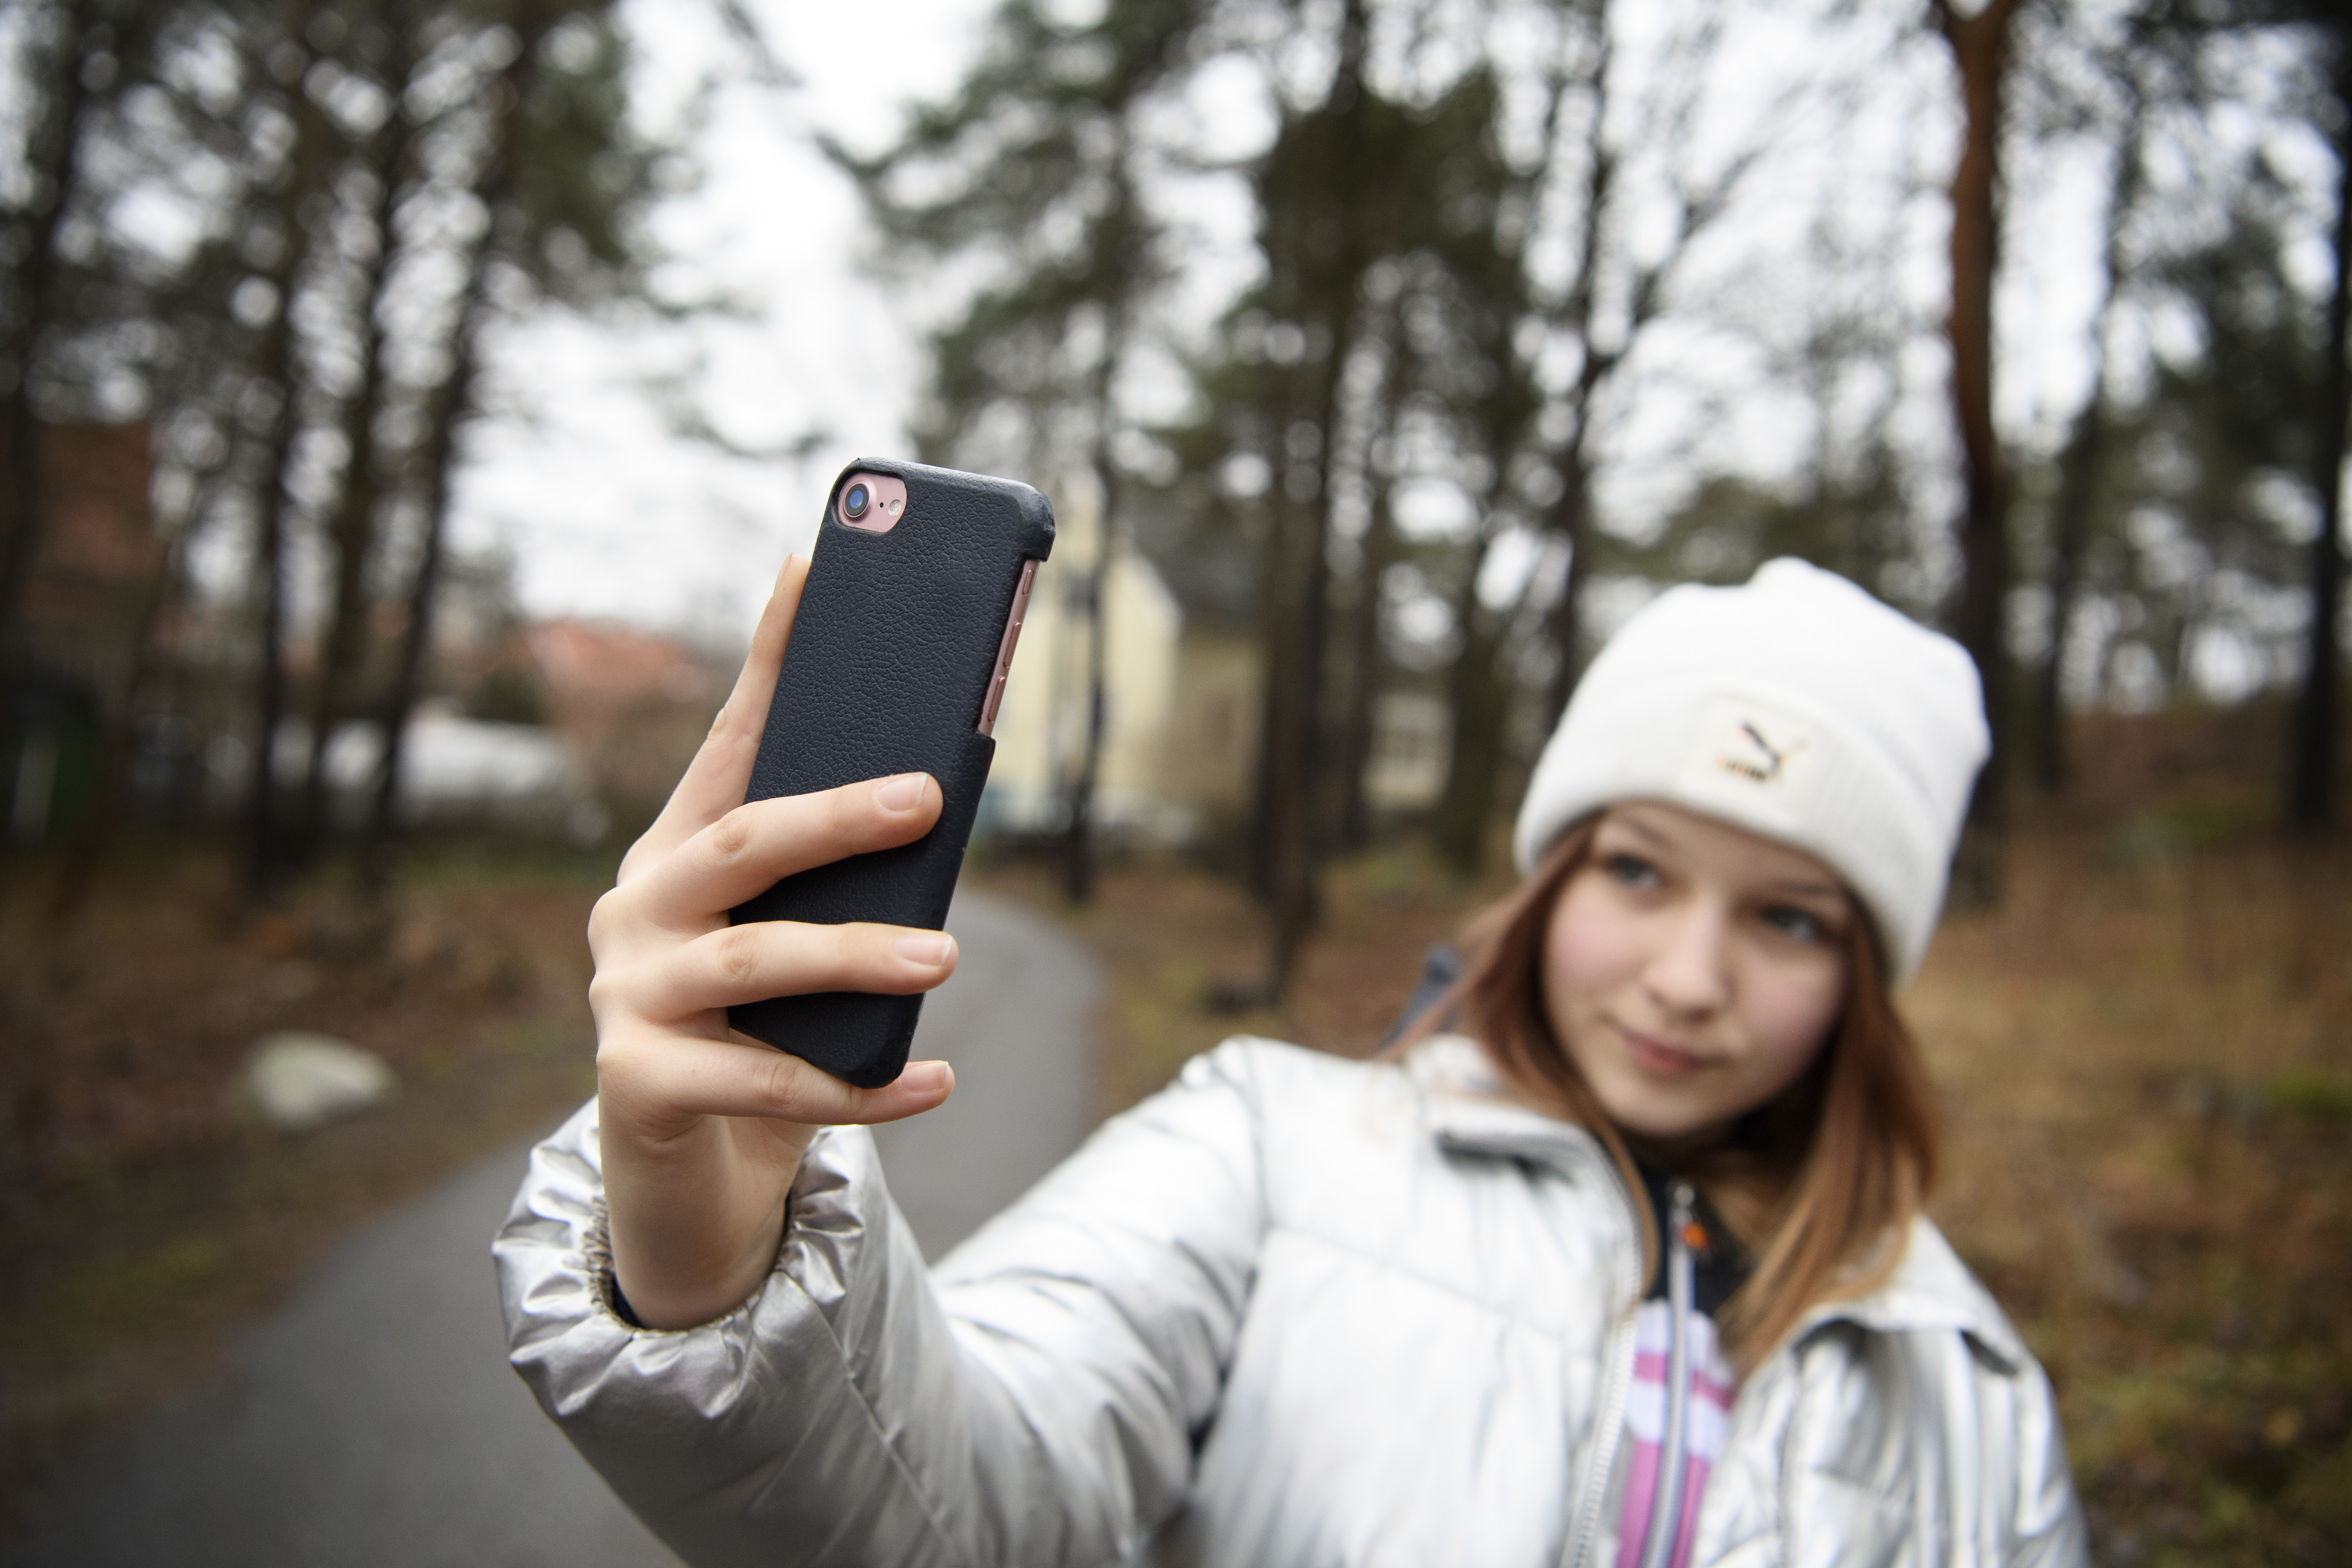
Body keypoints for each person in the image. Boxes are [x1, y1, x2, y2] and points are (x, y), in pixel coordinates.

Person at [498, 556, 2088, 1567]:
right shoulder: (1270, 1150)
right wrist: (727, 1251)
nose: (1690, 978)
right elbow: (958, 1512)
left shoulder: (1969, 1395)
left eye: (1795, 920)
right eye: (1640, 873)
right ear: (1549, 883)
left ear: (1870, 980)